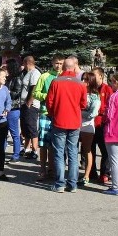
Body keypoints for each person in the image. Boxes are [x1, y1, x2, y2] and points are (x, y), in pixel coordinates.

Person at [46, 57, 88, 193]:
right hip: (75, 121)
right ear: (73, 67)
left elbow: (49, 102)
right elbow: (83, 104)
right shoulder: (80, 84)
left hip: (59, 120)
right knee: (73, 152)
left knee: (58, 152)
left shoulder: (56, 82)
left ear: (63, 67)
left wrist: (53, 114)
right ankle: (72, 184)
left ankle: (60, 183)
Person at [34, 55, 64, 180]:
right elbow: (36, 93)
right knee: (43, 143)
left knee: (55, 143)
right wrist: (48, 96)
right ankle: (42, 169)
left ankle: (52, 169)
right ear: (52, 63)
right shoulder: (45, 76)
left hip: (60, 113)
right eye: (56, 63)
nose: (58, 66)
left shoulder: (65, 77)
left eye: (61, 63)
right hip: (46, 113)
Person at [78, 71, 100, 186]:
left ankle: (87, 175)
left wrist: (79, 112)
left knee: (87, 149)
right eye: (82, 79)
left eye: (86, 80)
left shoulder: (94, 97)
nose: (83, 82)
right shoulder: (78, 92)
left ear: (91, 82)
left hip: (87, 126)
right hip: (76, 125)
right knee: (72, 148)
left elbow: (93, 113)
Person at [93, 68, 114, 184]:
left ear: (101, 76)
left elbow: (110, 107)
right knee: (89, 149)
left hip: (102, 123)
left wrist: (99, 110)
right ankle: (91, 172)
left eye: (94, 75)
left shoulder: (107, 89)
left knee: (105, 150)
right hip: (91, 123)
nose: (92, 77)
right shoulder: (89, 88)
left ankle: (105, 173)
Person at [20, 56, 42, 160]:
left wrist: (29, 102)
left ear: (26, 62)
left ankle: (34, 151)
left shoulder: (35, 73)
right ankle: (27, 149)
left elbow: (34, 87)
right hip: (25, 105)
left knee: (32, 127)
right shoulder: (28, 73)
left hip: (32, 105)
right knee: (26, 128)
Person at [4, 59, 25, 162]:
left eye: (7, 67)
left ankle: (16, 154)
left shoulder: (17, 79)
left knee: (14, 133)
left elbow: (17, 93)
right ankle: (1, 154)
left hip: (13, 108)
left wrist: (7, 91)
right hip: (4, 108)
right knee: (3, 133)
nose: (5, 68)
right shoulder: (7, 78)